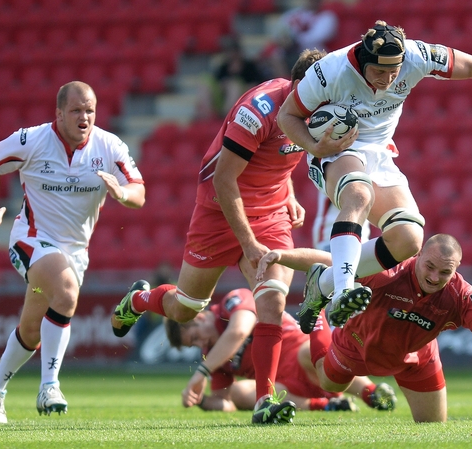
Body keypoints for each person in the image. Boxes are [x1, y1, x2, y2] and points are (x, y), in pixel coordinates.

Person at [109, 49, 326, 425]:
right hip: (219, 207)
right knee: (185, 308)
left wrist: (288, 191)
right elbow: (224, 179)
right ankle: (140, 299)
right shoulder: (258, 109)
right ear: (298, 87)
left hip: (271, 211)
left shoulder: (323, 106)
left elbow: (281, 154)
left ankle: (264, 401)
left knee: (272, 300)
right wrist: (248, 243)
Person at [277, 20, 472, 333]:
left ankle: (324, 281)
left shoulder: (416, 55)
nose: (387, 79)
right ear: (363, 62)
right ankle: (342, 291)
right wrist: (315, 146)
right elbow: (286, 116)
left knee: (408, 238)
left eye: (393, 73)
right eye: (379, 72)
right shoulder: (330, 71)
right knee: (359, 195)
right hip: (336, 150)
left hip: (381, 153)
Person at [0, 81, 146, 424]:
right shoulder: (32, 139)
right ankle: (49, 386)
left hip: (75, 252)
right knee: (66, 292)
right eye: (76, 110)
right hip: (30, 240)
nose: (85, 117)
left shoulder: (109, 145)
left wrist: (121, 193)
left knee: (31, 330)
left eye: (90, 110)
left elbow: (139, 192)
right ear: (58, 113)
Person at [255, 234, 472, 423]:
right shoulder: (387, 270)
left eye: (445, 272)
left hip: (416, 358)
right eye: (430, 267)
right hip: (354, 346)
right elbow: (331, 262)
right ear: (419, 255)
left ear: (456, 269)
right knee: (329, 383)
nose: (434, 277)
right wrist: (282, 255)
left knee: (433, 427)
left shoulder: (461, 295)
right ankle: (318, 317)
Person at [165, 288, 396, 414]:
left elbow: (239, 331)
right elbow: (226, 403)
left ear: (199, 317)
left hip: (306, 358)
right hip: (283, 387)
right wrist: (200, 400)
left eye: (195, 337)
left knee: (310, 353)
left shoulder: (232, 301)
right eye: (194, 345)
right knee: (239, 391)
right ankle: (326, 406)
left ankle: (371, 393)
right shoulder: (213, 356)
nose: (201, 344)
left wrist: (201, 372)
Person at [259, 0, 338, 79]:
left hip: (315, 52)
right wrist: (285, 40)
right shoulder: (293, 14)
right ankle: (285, 82)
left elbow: (318, 36)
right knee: (274, 55)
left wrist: (294, 40)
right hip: (291, 51)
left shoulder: (327, 16)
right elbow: (281, 31)